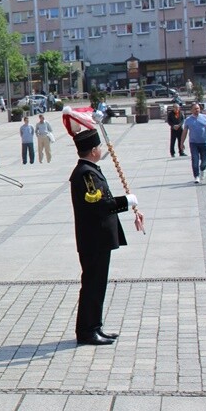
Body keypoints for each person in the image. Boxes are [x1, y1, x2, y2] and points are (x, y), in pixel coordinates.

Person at [68, 127, 143, 346]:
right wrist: (126, 201)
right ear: (92, 151)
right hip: (94, 239)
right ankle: (87, 330)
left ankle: (95, 326)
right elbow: (99, 205)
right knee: (92, 284)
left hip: (97, 238)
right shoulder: (85, 174)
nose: (100, 150)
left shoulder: (88, 170)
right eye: (98, 147)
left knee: (97, 284)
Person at [182, 103, 206, 183]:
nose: (196, 110)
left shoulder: (205, 118)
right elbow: (184, 132)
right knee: (195, 160)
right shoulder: (188, 120)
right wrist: (182, 143)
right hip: (193, 143)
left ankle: (202, 169)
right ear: (191, 110)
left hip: (204, 142)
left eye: (198, 108)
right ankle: (196, 176)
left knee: (205, 161)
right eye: (195, 109)